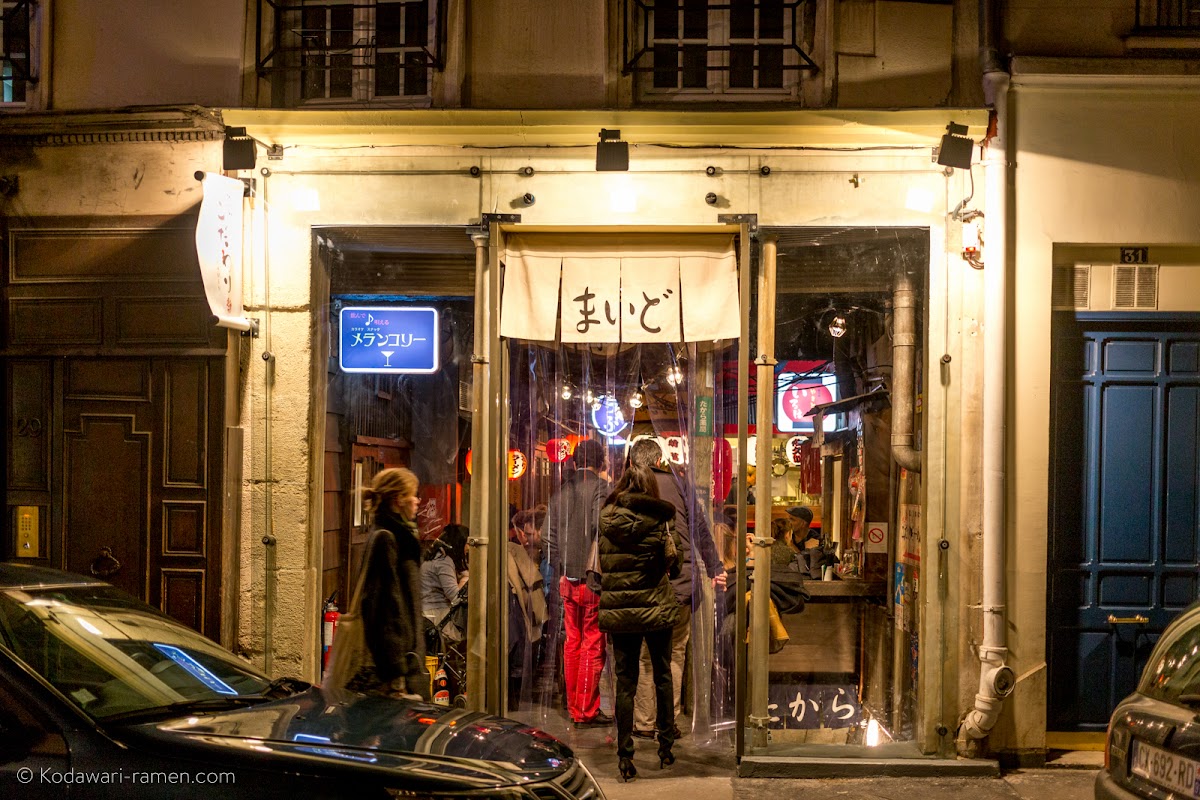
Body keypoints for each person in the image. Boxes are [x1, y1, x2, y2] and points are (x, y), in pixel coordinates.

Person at [626, 437, 726, 739]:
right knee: (674, 655)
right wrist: (715, 567)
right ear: (660, 461)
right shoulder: (680, 488)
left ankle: (644, 723)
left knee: (644, 657)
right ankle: (668, 723)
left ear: (632, 463)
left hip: (642, 587)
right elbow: (700, 531)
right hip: (680, 586)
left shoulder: (626, 491)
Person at [596, 463, 681, 782]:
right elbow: (672, 566)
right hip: (656, 608)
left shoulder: (605, 519)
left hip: (621, 611)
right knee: (662, 674)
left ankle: (624, 754)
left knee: (626, 682)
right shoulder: (659, 520)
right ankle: (666, 746)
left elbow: (604, 562)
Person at [542, 438, 612, 727]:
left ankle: (574, 706)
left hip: (566, 579)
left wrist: (562, 565)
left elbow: (547, 538)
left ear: (574, 462)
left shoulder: (560, 493)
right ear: (602, 462)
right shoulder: (601, 489)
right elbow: (602, 527)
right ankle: (586, 709)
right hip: (592, 579)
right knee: (593, 643)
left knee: (572, 642)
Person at [348, 467, 431, 700]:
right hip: (395, 672)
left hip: (405, 663)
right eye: (413, 495)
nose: (417, 501)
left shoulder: (399, 536)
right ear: (398, 499)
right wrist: (397, 672)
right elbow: (385, 608)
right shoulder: (387, 538)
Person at [421, 523, 469, 629]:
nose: (468, 547)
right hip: (436, 617)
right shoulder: (443, 561)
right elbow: (455, 597)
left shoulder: (437, 557)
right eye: (467, 543)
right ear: (459, 543)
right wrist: (465, 579)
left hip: (428, 613)